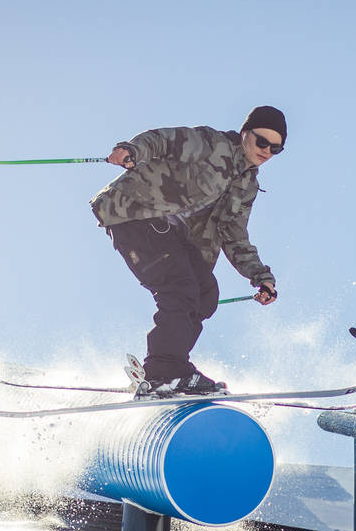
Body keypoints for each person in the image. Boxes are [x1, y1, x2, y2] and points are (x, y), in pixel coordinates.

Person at [90, 106, 286, 398]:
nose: (267, 151)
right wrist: (130, 149)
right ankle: (165, 370)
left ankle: (171, 370)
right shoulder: (212, 144)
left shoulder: (246, 185)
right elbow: (164, 141)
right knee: (180, 288)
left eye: (276, 148)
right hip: (134, 213)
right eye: (262, 142)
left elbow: (234, 234)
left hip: (170, 233)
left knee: (206, 293)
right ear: (245, 134)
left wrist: (261, 276)